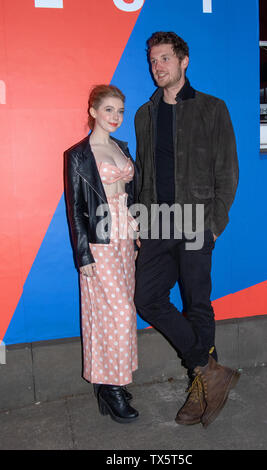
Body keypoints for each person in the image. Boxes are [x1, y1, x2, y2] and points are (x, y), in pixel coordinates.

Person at [134, 32, 240, 427]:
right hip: (158, 224)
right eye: (153, 61)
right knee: (146, 298)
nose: (157, 67)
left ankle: (199, 389)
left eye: (164, 59)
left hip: (198, 221)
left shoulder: (213, 109)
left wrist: (215, 224)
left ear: (184, 61)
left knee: (198, 303)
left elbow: (227, 171)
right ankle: (209, 369)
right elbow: (144, 175)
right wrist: (142, 222)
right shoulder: (145, 115)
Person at [64, 84, 139, 424]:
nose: (115, 117)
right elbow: (75, 207)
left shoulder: (121, 147)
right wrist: (84, 255)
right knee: (118, 312)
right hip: (100, 239)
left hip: (126, 237)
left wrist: (137, 229)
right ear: (93, 111)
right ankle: (110, 388)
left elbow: (130, 193)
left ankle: (115, 384)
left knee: (122, 310)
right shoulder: (79, 155)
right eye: (109, 109)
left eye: (120, 111)